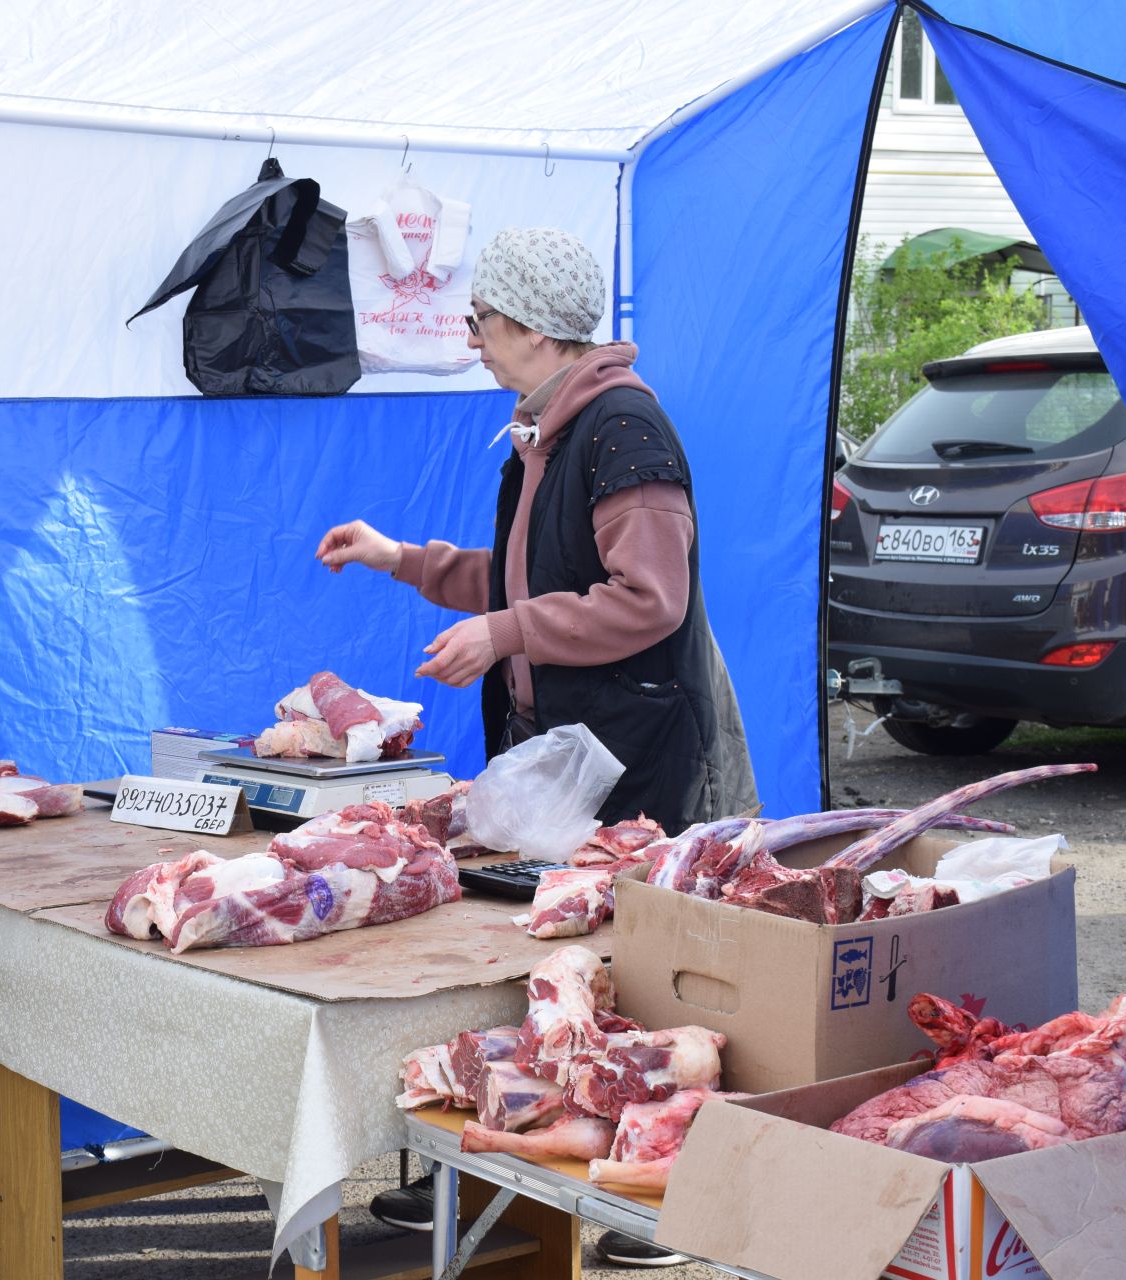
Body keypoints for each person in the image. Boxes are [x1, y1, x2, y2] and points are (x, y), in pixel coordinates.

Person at [318, 227, 752, 1266]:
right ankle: (514, 1180)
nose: (471, 338)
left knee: (640, 988)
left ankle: (666, 1200)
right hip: (573, 756)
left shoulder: (622, 432)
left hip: (639, 757)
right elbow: (527, 576)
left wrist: (504, 634)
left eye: (481, 321)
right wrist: (401, 560)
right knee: (555, 983)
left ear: (527, 326)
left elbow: (650, 600)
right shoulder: (546, 433)